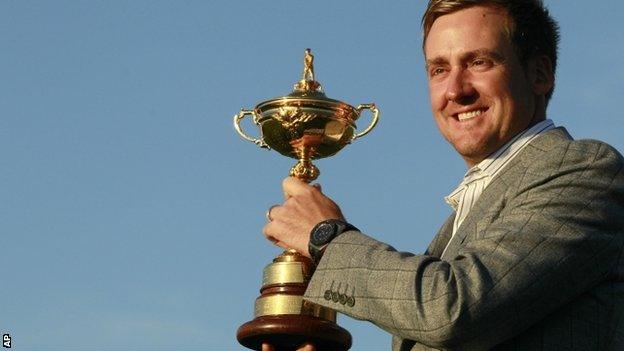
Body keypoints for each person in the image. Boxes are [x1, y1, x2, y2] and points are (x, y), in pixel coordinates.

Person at [263, 0, 624, 350]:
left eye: (479, 62)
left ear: (540, 74)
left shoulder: (587, 170)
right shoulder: (458, 221)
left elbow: (452, 310)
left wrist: (327, 238)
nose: (456, 90)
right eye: (439, 69)